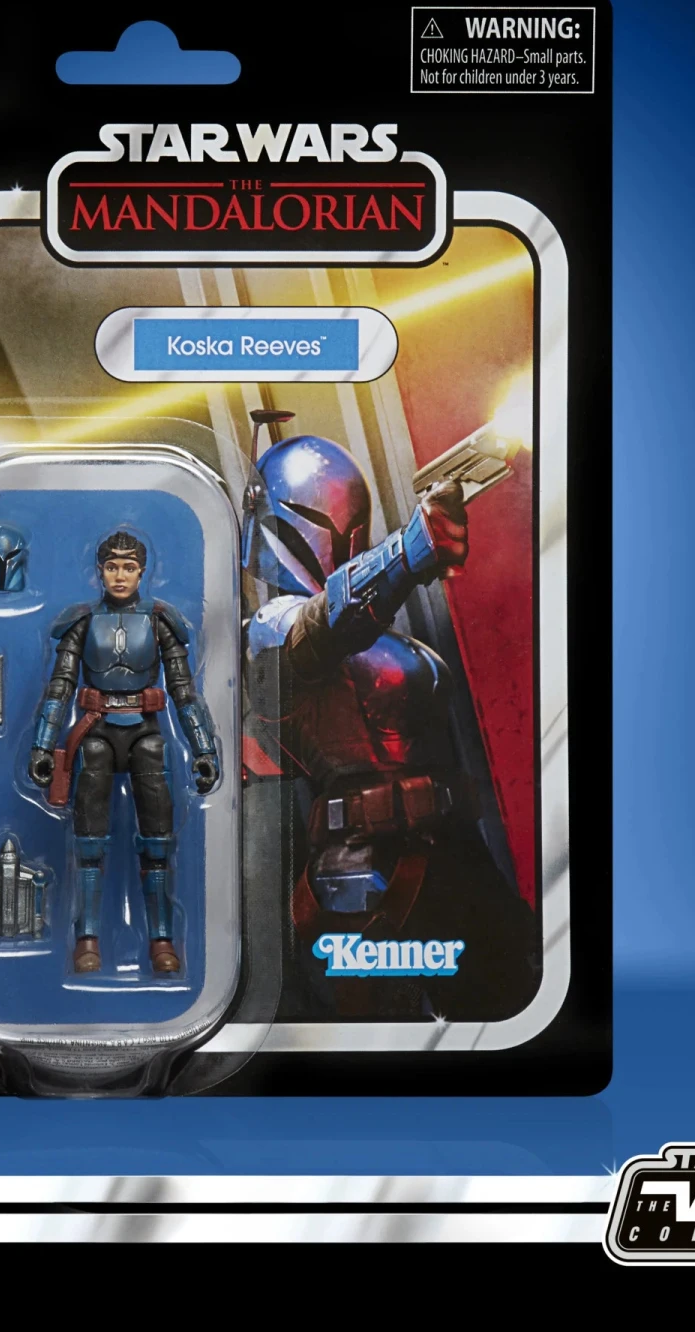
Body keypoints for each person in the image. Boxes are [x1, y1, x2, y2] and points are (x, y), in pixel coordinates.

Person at [242, 433, 537, 1019]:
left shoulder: (383, 638)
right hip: (367, 877)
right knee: (392, 1039)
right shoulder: (270, 629)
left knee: (520, 1000)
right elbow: (327, 622)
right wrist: (410, 549)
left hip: (453, 853)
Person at [28, 531, 220, 975]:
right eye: (112, 567)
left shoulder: (159, 621)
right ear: (100, 571)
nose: (120, 575)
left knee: (158, 843)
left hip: (145, 734)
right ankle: (87, 940)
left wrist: (203, 749)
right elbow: (60, 688)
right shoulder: (81, 622)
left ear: (142, 571)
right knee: (88, 845)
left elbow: (184, 691)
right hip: (95, 734)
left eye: (128, 567)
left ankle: (161, 940)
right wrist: (42, 744)